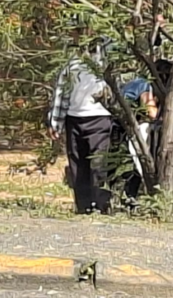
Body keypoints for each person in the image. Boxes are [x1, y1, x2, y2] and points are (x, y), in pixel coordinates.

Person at [48, 37, 114, 215]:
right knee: (78, 164)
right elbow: (61, 92)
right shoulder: (72, 63)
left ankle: (101, 205)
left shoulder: (106, 63)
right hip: (74, 118)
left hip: (100, 118)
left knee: (99, 164)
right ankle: (83, 205)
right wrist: (56, 122)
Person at [120, 59, 172, 200]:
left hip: (122, 123)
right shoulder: (145, 85)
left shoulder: (139, 82)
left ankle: (130, 196)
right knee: (138, 161)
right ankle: (132, 196)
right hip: (125, 126)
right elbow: (151, 112)